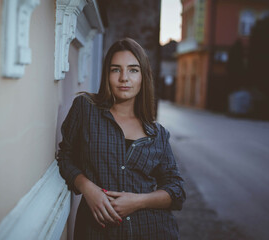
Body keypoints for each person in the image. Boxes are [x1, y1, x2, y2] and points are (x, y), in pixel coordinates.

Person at [57, 38, 186, 240]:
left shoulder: (157, 133)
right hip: (97, 232)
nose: (124, 78)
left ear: (144, 77)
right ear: (107, 75)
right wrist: (87, 188)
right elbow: (65, 156)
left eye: (133, 70)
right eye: (116, 69)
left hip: (153, 230)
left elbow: (176, 191)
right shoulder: (85, 108)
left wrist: (138, 201)